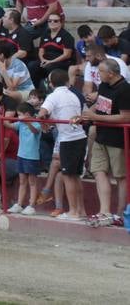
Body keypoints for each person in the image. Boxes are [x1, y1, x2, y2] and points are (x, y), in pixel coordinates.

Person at [82, 58, 130, 227]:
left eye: (101, 71)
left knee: (120, 176)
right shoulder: (103, 85)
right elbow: (99, 105)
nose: (98, 74)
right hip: (102, 136)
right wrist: (86, 114)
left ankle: (120, 213)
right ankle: (105, 212)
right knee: (98, 171)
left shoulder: (125, 89)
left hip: (118, 139)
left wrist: (95, 117)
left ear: (111, 73)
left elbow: (126, 116)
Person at [38, 68, 88, 222]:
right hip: (80, 137)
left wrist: (44, 124)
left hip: (68, 139)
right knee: (76, 176)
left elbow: (41, 113)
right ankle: (80, 210)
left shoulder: (53, 96)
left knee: (68, 176)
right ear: (67, 81)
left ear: (51, 84)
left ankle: (73, 212)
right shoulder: (74, 94)